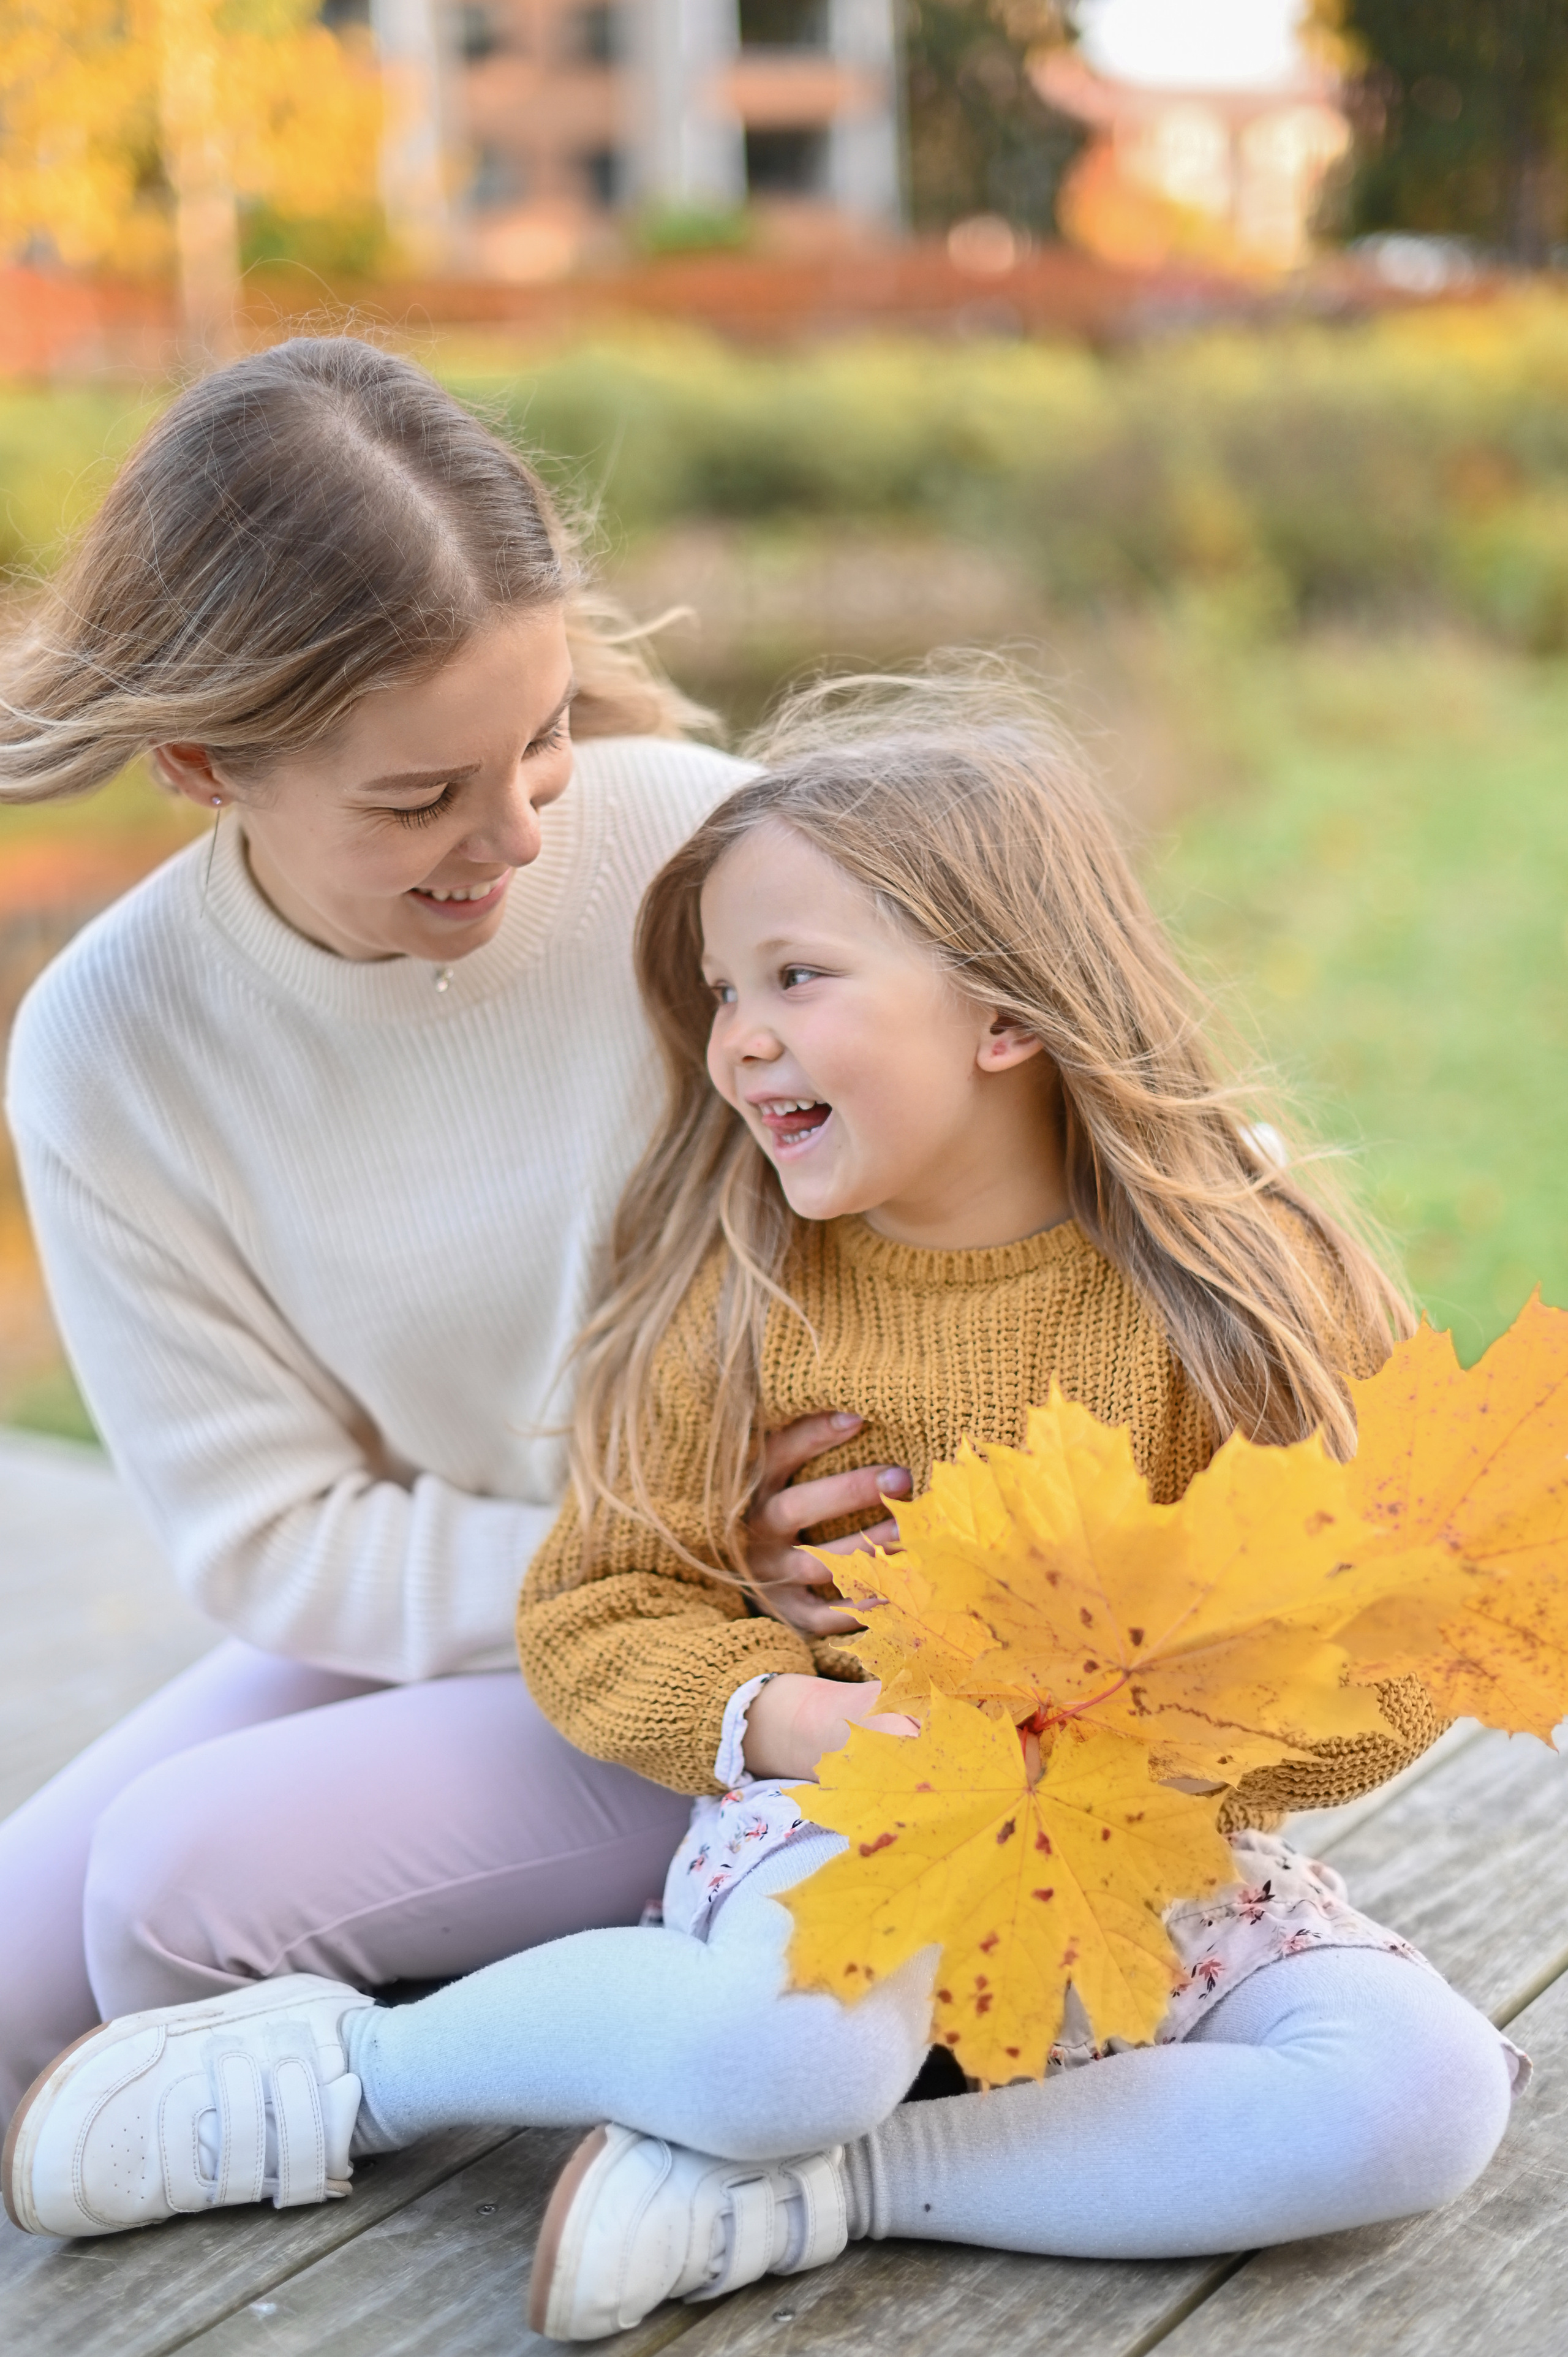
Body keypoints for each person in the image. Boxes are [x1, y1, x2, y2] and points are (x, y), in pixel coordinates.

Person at [3, 674, 1521, 2341]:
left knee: (1424, 2093)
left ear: (1004, 1015)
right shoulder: (738, 1297)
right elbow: (593, 1613)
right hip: (832, 1835)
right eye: (724, 992)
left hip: (1144, 1863)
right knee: (787, 2046)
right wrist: (796, 1720)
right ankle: (352, 2070)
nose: (736, 1040)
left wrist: (1198, 1739)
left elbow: (1383, 1646)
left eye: (794, 980)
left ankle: (823, 2192)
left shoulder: (1243, 1285)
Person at [0, 337, 892, 2135]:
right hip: (528, 1584)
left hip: (812, 1624)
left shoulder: (700, 850)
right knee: (23, 1968)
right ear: (197, 760)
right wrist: (654, 1543)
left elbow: (1024, 1133)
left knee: (165, 1893)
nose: (511, 834)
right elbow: (274, 1540)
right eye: (417, 797)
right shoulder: (112, 1046)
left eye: (545, 737)